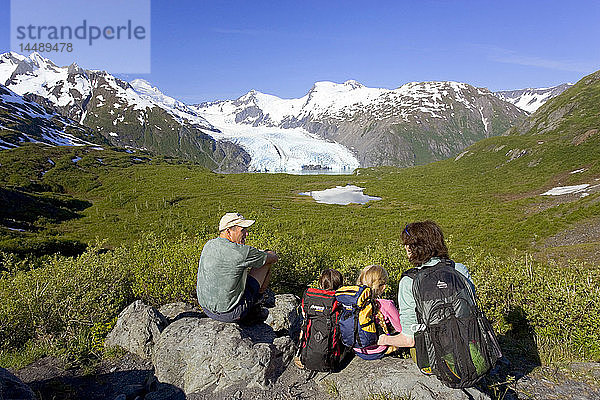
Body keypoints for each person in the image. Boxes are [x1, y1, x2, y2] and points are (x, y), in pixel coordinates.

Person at [377, 220, 474, 350]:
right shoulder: (459, 269)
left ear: (413, 249)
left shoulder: (409, 282)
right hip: (471, 345)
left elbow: (409, 340)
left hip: (437, 358)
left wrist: (384, 339)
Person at [196, 212, 279, 323]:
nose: (247, 233)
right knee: (266, 262)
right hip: (230, 314)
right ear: (229, 231)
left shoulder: (209, 245)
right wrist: (267, 253)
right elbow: (273, 258)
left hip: (206, 309)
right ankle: (257, 304)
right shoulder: (241, 253)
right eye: (242, 230)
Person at [294, 268, 345, 370]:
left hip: (306, 356)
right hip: (332, 360)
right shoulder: (340, 300)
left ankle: (300, 353)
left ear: (321, 284)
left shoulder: (310, 297)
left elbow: (304, 322)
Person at [354, 265, 403, 359]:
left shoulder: (354, 303)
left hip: (358, 350)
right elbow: (400, 329)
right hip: (377, 351)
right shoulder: (386, 305)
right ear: (382, 286)